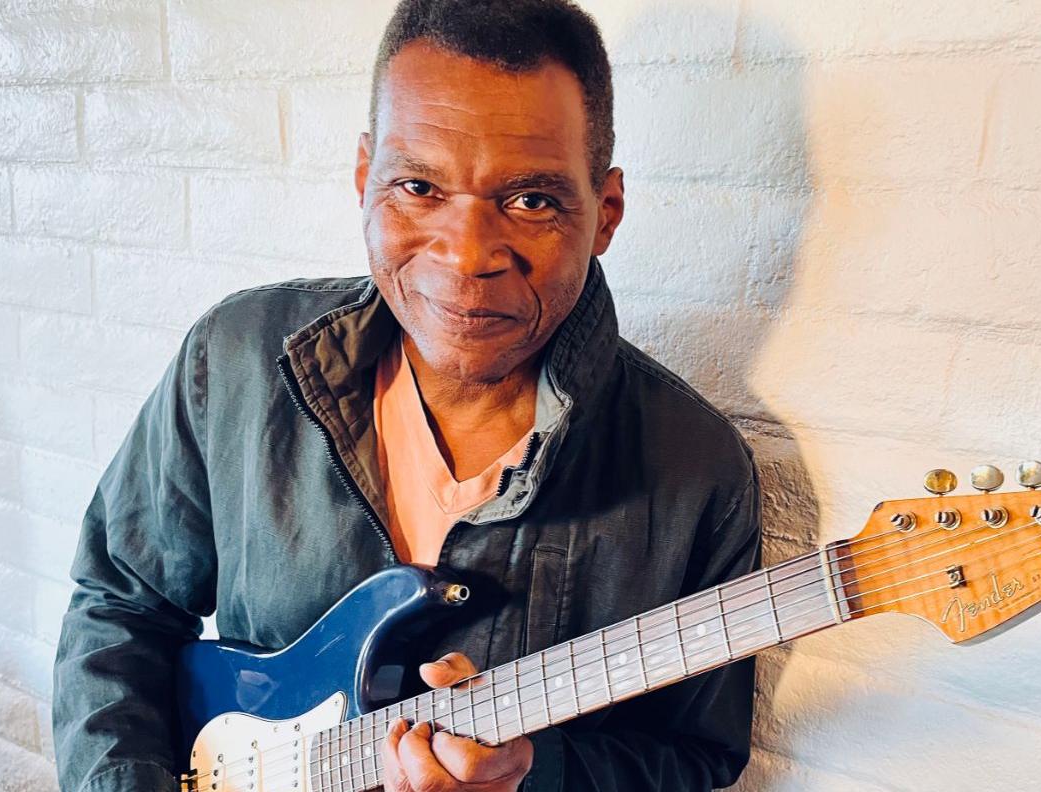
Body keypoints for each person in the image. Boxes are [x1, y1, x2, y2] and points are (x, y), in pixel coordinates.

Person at [50, 1, 762, 790]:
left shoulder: (698, 471)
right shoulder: (234, 359)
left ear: (606, 213)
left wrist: (535, 773)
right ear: (365, 179)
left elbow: (696, 758)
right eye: (418, 186)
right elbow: (120, 607)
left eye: (531, 201)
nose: (465, 258)